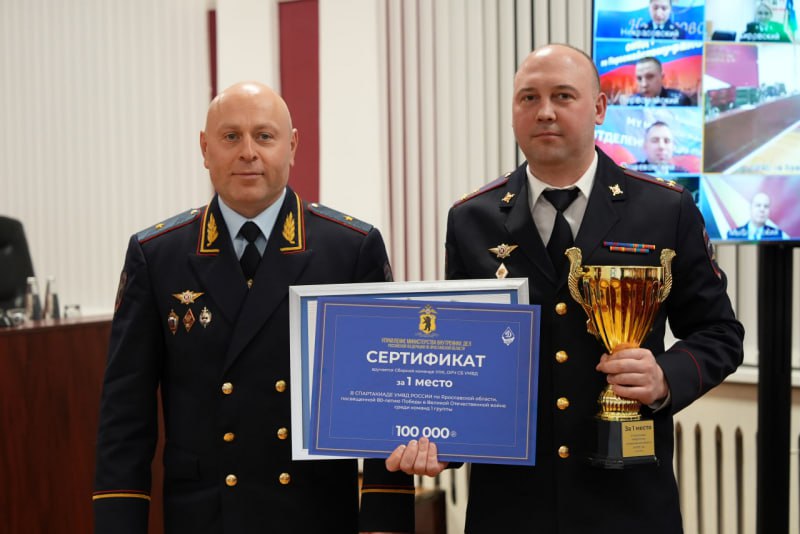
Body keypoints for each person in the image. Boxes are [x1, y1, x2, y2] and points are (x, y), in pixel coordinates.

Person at [387, 44, 744, 533]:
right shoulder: (471, 218)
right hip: (511, 507)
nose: (545, 112)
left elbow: (720, 333)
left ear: (599, 108)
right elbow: (461, 355)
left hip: (627, 503)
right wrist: (441, 439)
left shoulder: (665, 210)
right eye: (528, 98)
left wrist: (665, 376)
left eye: (563, 96)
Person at [93, 82, 414, 533]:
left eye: (264, 136)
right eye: (230, 137)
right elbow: (125, 415)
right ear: (205, 149)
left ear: (292, 146)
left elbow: (386, 403)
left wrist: (384, 522)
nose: (248, 152)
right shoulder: (157, 255)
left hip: (313, 514)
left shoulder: (349, 250)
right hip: (204, 517)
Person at [624, 121, 689, 174]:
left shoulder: (683, 174)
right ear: (645, 146)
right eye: (655, 140)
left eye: (666, 141)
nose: (661, 146)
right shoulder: (631, 173)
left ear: (673, 147)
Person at [626, 57, 692, 106]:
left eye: (650, 77)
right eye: (639, 78)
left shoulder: (679, 101)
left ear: (662, 77)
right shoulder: (632, 102)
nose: (644, 84)